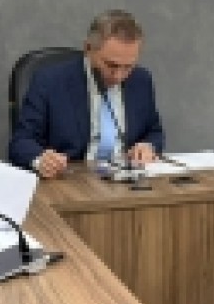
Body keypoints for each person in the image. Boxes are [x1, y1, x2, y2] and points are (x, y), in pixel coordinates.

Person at [9, 10, 165, 178]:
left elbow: (154, 131)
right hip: (69, 179)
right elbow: (21, 142)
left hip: (126, 179)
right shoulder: (50, 81)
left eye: (128, 67)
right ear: (88, 49)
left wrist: (148, 146)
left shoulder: (141, 80)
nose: (119, 76)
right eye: (111, 65)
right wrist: (41, 160)